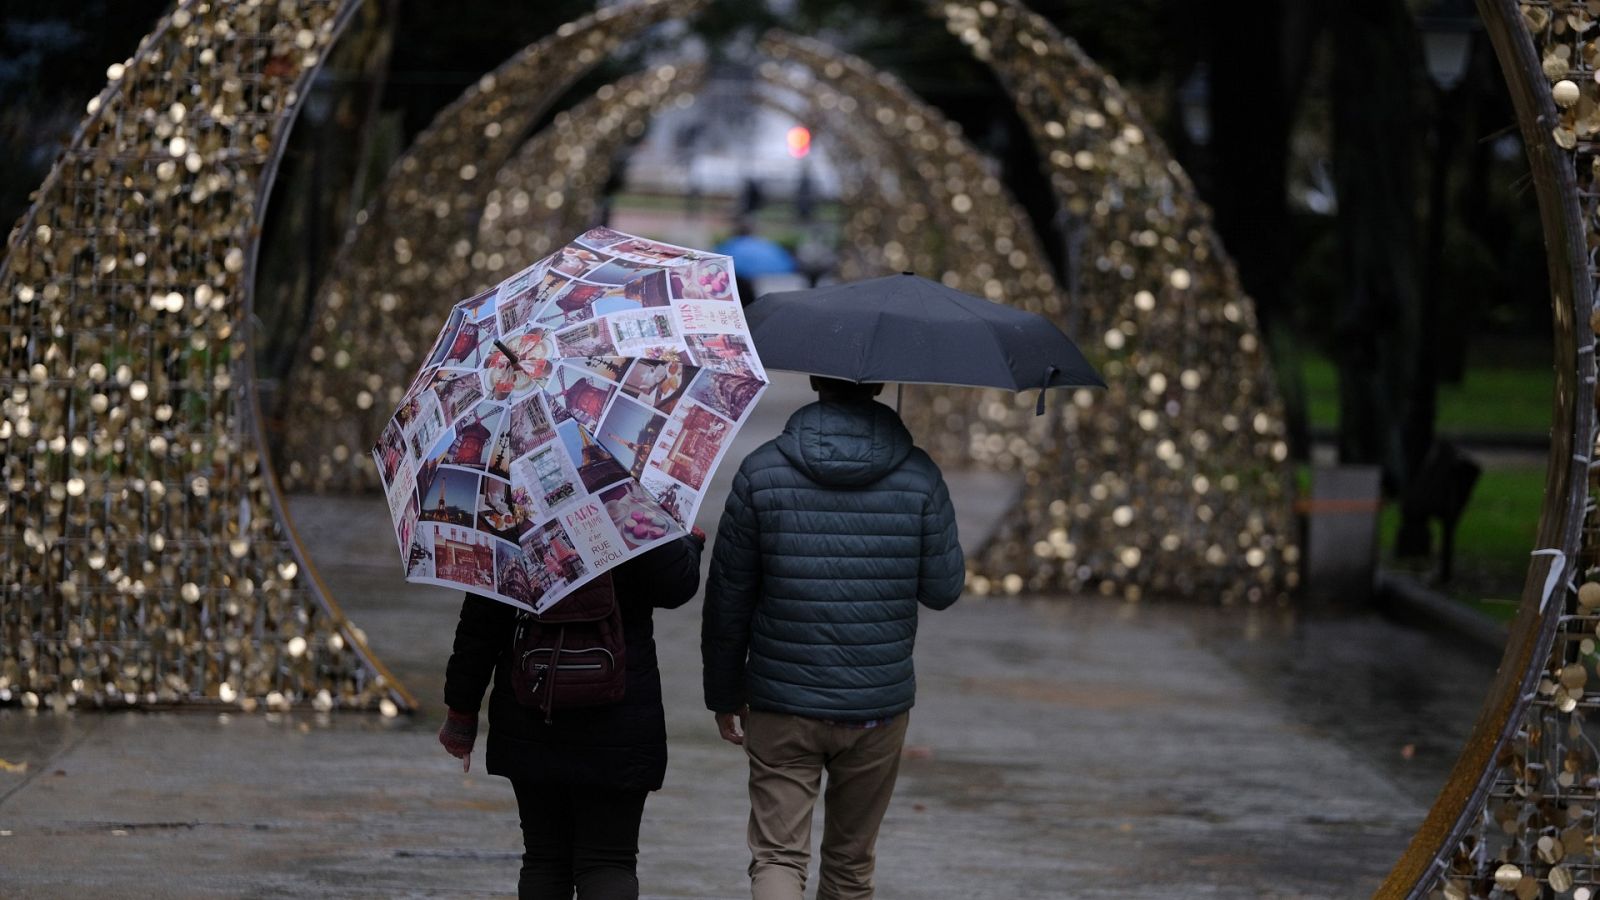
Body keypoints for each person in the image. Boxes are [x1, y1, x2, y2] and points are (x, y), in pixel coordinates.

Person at [701, 377, 965, 900]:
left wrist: (724, 693)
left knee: (778, 856)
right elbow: (943, 590)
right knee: (850, 866)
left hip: (781, 703)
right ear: (883, 385)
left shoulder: (761, 471)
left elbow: (728, 597)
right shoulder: (918, 475)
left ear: (817, 382)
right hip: (877, 706)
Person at [439, 530, 704, 900]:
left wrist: (461, 712)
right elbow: (676, 586)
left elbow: (482, 619)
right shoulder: (626, 498)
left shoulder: (508, 506)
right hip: (619, 714)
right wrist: (687, 540)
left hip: (531, 710)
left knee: (545, 859)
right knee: (608, 860)